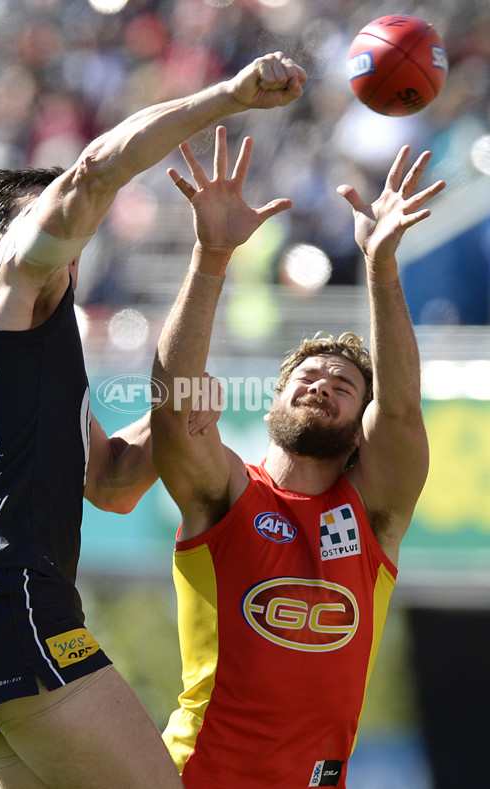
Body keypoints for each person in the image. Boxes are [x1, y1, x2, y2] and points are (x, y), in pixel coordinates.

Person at [0, 54, 308, 789]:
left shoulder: (19, 347)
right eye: (43, 208)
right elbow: (96, 169)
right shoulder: (4, 282)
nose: (72, 222)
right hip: (7, 597)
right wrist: (228, 96)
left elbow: (114, 484)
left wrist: (178, 406)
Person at [150, 125, 445, 789]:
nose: (322, 384)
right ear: (273, 401)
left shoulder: (373, 515)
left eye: (344, 387)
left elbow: (399, 410)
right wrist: (211, 258)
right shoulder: (227, 492)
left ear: (359, 428)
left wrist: (382, 270)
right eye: (308, 376)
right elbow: (174, 408)